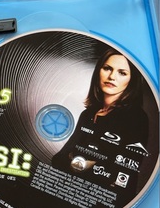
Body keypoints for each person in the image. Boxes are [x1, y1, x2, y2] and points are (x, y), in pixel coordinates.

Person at [51, 48, 149, 197]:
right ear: (98, 71)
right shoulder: (87, 114)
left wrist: (80, 165)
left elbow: (123, 174)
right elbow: (58, 159)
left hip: (106, 200)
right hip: (72, 193)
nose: (112, 77)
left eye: (122, 73)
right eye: (107, 68)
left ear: (132, 80)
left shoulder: (136, 118)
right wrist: (85, 165)